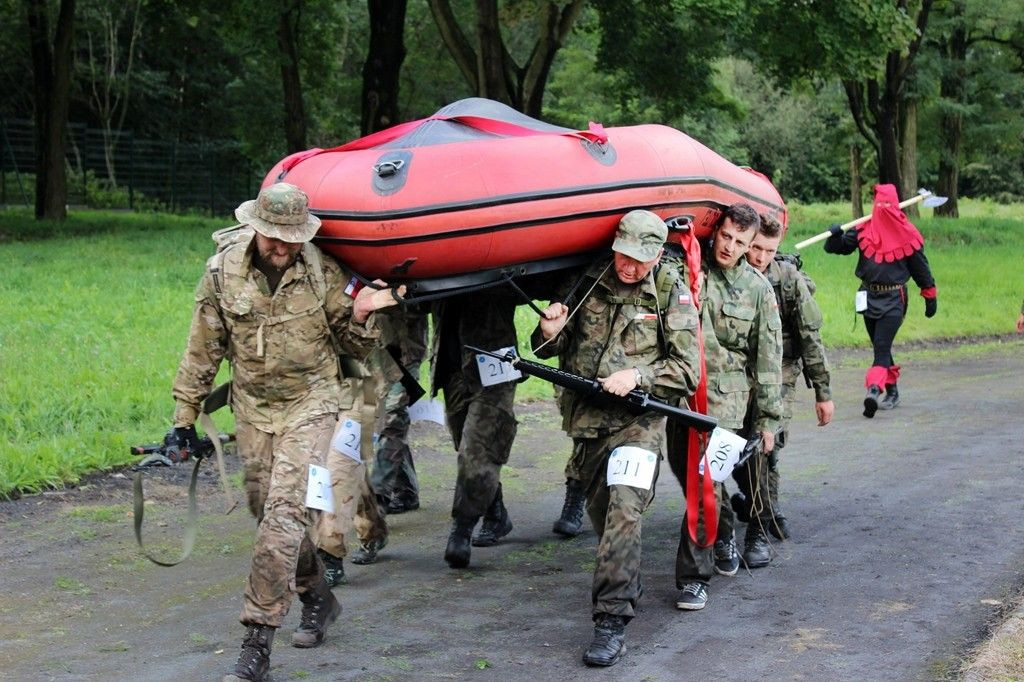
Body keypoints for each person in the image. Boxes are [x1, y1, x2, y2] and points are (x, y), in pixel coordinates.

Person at [171, 183, 398, 682]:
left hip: (312, 406)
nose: (283, 247)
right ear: (255, 227)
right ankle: (317, 597)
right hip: (252, 411)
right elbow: (203, 349)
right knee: (270, 521)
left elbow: (355, 342)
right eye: (274, 237)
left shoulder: (322, 272)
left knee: (284, 513)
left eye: (293, 238)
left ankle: (256, 645)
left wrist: (362, 316)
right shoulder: (222, 273)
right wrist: (183, 421)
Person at [533, 210, 701, 667]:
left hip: (637, 421)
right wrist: (547, 332)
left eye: (641, 261)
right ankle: (625, 579)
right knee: (603, 514)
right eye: (625, 257)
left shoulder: (669, 288)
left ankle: (610, 621)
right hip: (586, 422)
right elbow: (549, 344)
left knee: (626, 510)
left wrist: (639, 376)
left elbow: (688, 370)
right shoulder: (586, 278)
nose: (631, 268)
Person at [672, 203, 782, 611]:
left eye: (741, 242)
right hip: (679, 399)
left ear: (750, 245)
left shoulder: (758, 290)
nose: (730, 247)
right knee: (693, 484)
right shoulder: (689, 268)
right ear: (715, 232)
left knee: (704, 484)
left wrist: (769, 420)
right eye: (726, 237)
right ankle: (722, 533)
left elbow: (769, 359)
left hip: (726, 409)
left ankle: (694, 579)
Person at [733, 215, 833, 561]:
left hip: (781, 371)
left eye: (768, 251)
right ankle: (754, 498)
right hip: (736, 373)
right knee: (734, 446)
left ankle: (766, 516)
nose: (759, 257)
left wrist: (823, 392)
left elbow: (810, 336)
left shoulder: (788, 280)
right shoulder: (730, 272)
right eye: (755, 247)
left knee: (767, 444)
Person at [823, 183, 937, 417]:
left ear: (895, 205)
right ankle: (892, 391)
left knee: (882, 346)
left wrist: (929, 295)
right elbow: (839, 248)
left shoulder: (908, 234)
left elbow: (921, 269)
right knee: (880, 346)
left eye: (887, 204)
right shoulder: (864, 228)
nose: (883, 208)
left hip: (894, 298)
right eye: (880, 204)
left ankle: (874, 389)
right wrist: (835, 235)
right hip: (867, 296)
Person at [431, 291, 519, 568]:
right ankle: (496, 513)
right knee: (465, 445)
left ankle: (462, 529)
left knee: (478, 449)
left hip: (495, 363)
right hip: (452, 366)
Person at [370, 307, 429, 516]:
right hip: (372, 345)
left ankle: (378, 497)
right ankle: (406, 490)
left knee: (393, 417)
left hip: (404, 349)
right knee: (381, 419)